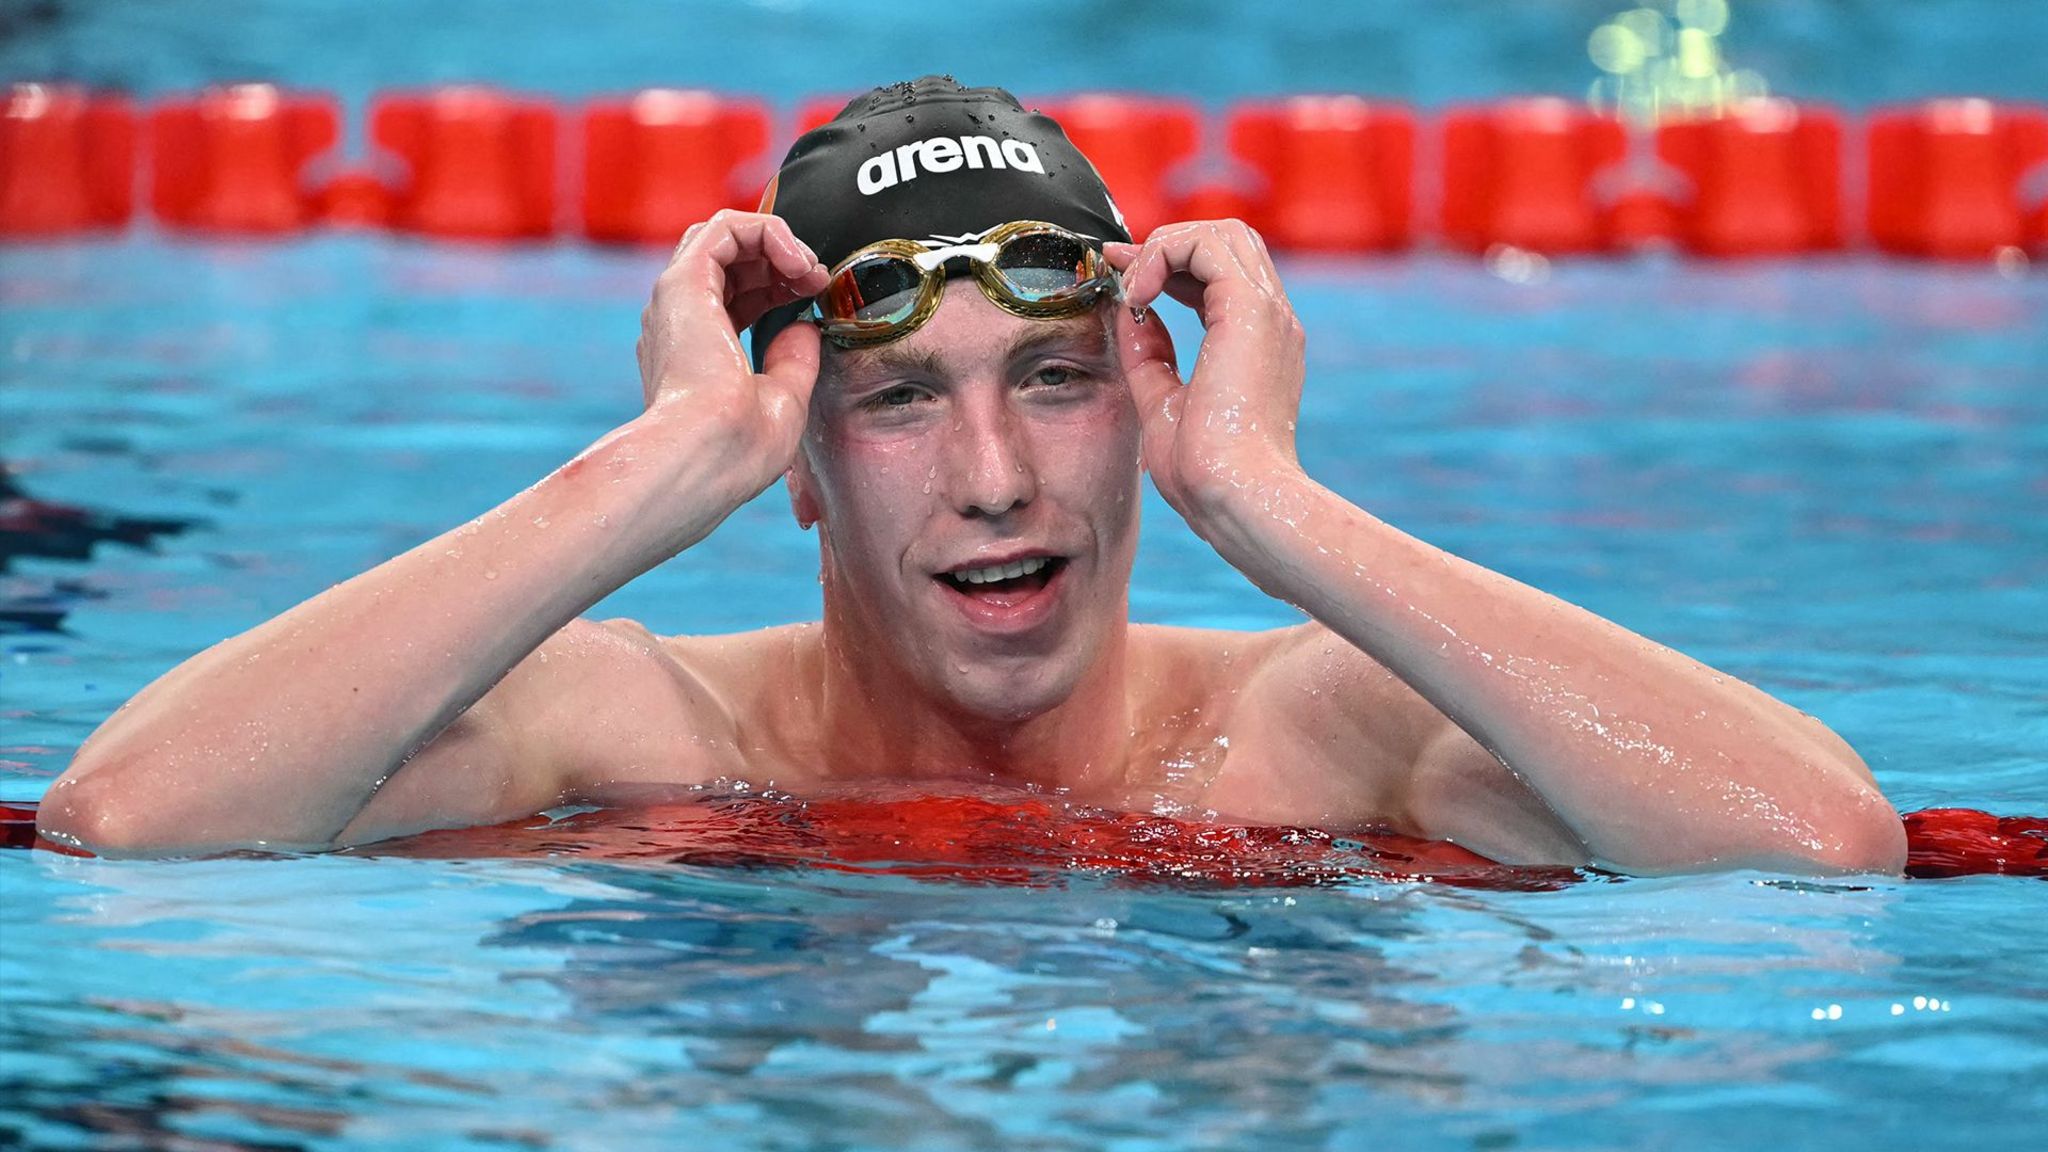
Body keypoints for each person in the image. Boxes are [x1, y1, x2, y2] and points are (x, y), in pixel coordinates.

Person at [37, 77, 1905, 875]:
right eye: (904, 401)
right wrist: (657, 460)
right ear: (800, 467)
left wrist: (1273, 505)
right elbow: (127, 829)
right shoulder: (629, 719)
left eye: (1058, 381)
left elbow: (1820, 853)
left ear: (1147, 406)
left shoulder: (1330, 725)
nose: (1000, 477)